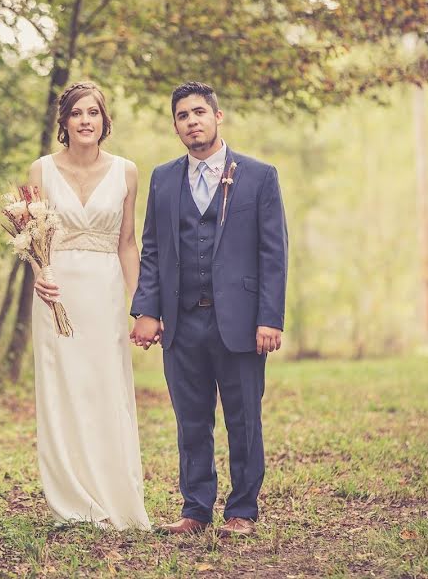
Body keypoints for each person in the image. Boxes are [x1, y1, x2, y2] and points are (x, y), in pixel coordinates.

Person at [129, 81, 288, 537]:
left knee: (244, 419)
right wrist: (147, 309)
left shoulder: (258, 176)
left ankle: (242, 510)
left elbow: (273, 252)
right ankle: (195, 509)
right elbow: (153, 249)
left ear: (218, 117)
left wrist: (269, 318)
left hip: (239, 323)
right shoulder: (163, 178)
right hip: (182, 324)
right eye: (182, 115)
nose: (191, 121)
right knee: (191, 420)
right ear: (176, 126)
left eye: (199, 112)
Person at [27, 81, 150, 531]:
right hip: (56, 293)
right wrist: (41, 272)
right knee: (62, 388)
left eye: (93, 113)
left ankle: (115, 494)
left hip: (104, 291)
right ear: (64, 122)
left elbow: (127, 244)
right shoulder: (41, 170)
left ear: (104, 120)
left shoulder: (127, 172)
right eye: (76, 113)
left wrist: (140, 306)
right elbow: (34, 240)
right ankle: (71, 500)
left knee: (105, 387)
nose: (85, 120)